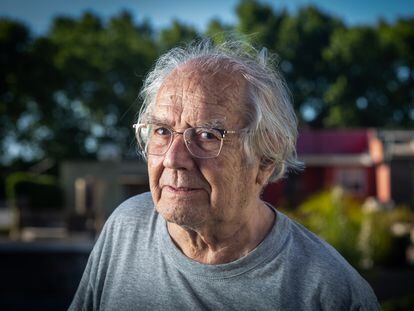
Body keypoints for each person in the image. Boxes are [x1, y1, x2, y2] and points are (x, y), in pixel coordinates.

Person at [69, 40, 380, 310]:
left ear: (264, 161)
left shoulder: (329, 292)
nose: (174, 159)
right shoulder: (125, 228)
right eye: (162, 131)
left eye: (206, 135)